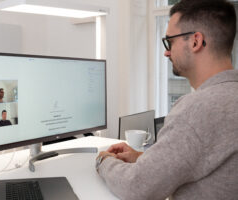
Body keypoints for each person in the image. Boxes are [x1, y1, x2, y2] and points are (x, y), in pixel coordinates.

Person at [96, 0, 238, 199]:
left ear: (196, 41)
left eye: (170, 41)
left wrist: (103, 162)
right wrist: (144, 159)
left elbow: (136, 187)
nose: (166, 51)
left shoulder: (197, 109)